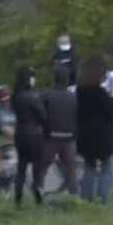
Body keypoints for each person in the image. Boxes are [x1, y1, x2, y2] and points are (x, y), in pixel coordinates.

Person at [77, 59, 113, 206]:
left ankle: (86, 200)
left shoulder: (79, 92)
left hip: (84, 135)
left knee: (89, 168)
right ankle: (103, 201)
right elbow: (112, 110)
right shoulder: (100, 93)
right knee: (106, 168)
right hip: (102, 136)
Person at [11, 65, 47, 206]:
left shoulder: (16, 96)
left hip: (20, 132)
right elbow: (42, 115)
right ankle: (38, 196)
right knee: (37, 166)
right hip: (34, 133)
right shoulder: (33, 96)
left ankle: (18, 198)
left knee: (21, 167)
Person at [41, 64, 79, 195]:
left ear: (54, 79)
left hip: (50, 138)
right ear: (67, 80)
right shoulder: (74, 98)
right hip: (69, 138)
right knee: (70, 169)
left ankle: (38, 194)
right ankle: (74, 197)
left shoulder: (46, 96)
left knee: (42, 168)